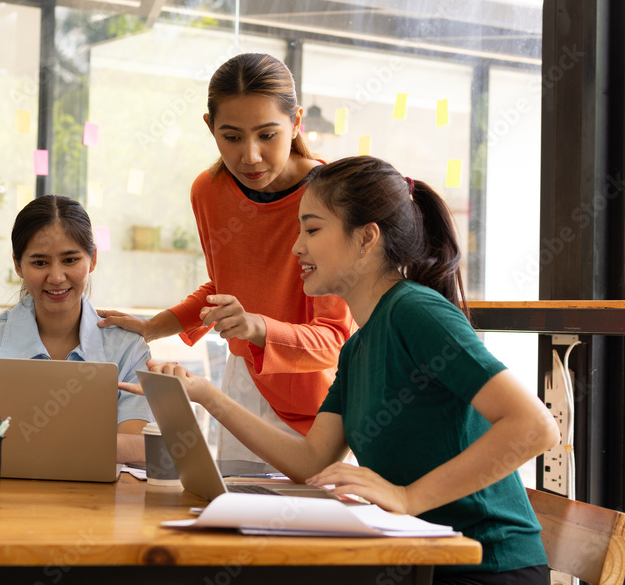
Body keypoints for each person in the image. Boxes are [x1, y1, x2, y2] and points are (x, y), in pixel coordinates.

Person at [123, 155, 559, 584]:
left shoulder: (416, 312)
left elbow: (535, 427)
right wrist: (205, 394)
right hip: (419, 562)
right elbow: (311, 460)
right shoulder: (358, 346)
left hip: (487, 568)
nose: (297, 247)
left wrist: (408, 497)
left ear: (366, 238)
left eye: (312, 229)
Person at [99, 52, 354, 461]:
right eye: (232, 137)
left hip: (320, 402)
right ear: (210, 127)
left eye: (267, 135)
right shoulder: (209, 191)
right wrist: (153, 328)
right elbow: (227, 286)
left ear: (296, 122)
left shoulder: (332, 198)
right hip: (243, 383)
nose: (250, 156)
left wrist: (256, 326)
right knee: (230, 498)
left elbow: (334, 341)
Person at [0, 194, 152, 463]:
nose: (56, 277)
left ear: (92, 259)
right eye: (40, 263)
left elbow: (139, 448)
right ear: (18, 265)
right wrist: (73, 442)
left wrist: (25, 440)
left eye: (70, 260)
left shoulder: (128, 348)